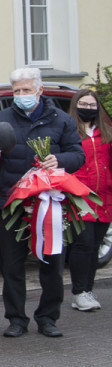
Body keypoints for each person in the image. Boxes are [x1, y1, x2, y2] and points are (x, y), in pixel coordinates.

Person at [0, 68, 85, 337]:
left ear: (39, 90)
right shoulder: (0, 119)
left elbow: (78, 155)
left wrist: (60, 161)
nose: (21, 95)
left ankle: (48, 318)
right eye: (16, 91)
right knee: (12, 267)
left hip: (49, 204)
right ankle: (16, 319)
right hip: (13, 204)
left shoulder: (61, 120)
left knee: (51, 266)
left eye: (26, 90)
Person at [67, 89, 112, 312]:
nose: (88, 108)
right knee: (82, 244)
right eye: (84, 104)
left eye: (92, 105)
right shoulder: (70, 132)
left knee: (94, 246)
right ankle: (79, 292)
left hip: (104, 198)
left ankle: (88, 289)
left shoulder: (106, 134)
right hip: (79, 197)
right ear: (76, 106)